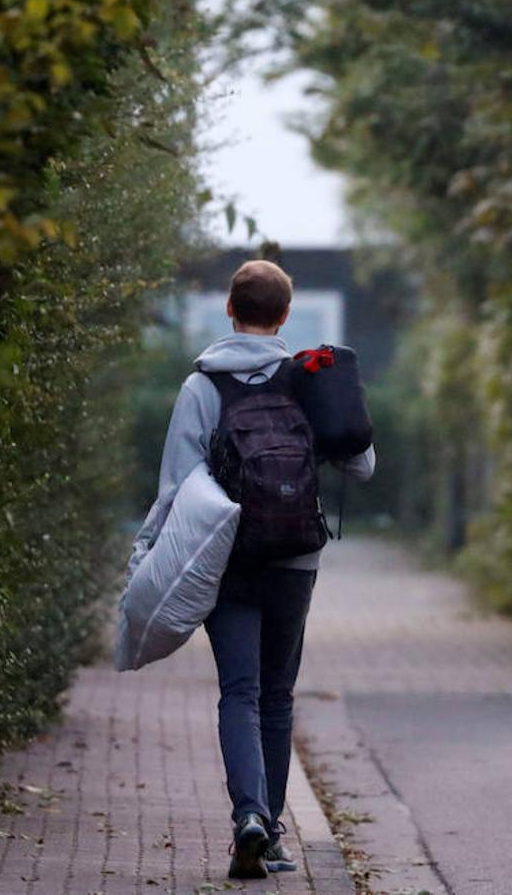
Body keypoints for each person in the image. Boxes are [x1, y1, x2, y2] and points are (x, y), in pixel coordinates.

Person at [128, 259, 375, 879]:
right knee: (277, 694)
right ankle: (277, 837)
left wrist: (145, 556)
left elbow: (175, 486)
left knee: (238, 691)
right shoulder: (309, 378)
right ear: (285, 315)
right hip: (295, 556)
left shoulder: (201, 386)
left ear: (230, 311)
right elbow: (362, 466)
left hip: (229, 555)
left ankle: (249, 817)